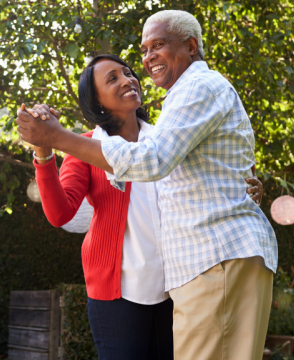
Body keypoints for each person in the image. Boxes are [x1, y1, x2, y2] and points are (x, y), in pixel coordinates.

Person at [23, 53, 265, 360]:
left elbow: (209, 181)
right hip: (117, 295)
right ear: (97, 101)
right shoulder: (84, 147)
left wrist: (245, 187)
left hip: (178, 287)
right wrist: (44, 153)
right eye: (113, 78)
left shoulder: (169, 139)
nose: (128, 80)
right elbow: (60, 214)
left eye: (127, 73)